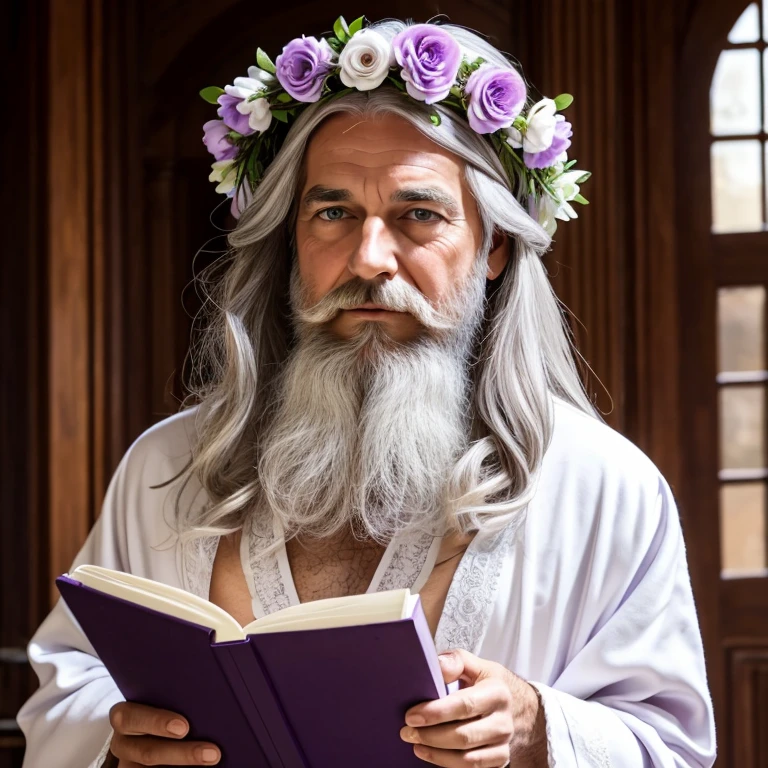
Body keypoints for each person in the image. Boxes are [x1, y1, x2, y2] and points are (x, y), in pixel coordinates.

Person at [18, 16, 716, 768]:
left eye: (419, 215)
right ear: (292, 242)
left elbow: (672, 745)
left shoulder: (604, 488)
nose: (369, 257)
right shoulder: (166, 467)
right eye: (333, 213)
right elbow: (68, 688)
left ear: (496, 246)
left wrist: (537, 725)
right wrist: (118, 744)